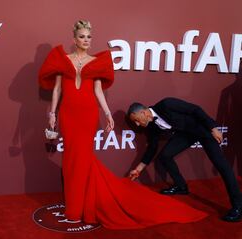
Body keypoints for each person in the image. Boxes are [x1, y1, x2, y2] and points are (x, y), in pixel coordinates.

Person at [38, 20, 207, 229]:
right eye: (82, 37)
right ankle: (75, 206)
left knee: (82, 158)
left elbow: (98, 91)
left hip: (88, 114)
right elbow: (57, 90)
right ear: (74, 39)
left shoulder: (96, 62)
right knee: (72, 160)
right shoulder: (62, 60)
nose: (86, 41)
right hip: (68, 114)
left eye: (89, 37)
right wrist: (52, 112)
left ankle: (80, 206)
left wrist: (107, 113)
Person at [128, 97, 242, 222]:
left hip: (202, 129)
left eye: (136, 120)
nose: (137, 124)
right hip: (185, 134)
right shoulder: (151, 127)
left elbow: (195, 110)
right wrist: (138, 169)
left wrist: (213, 128)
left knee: (221, 165)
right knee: (165, 156)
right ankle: (181, 186)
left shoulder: (166, 104)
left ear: (143, 113)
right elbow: (151, 148)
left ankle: (238, 206)